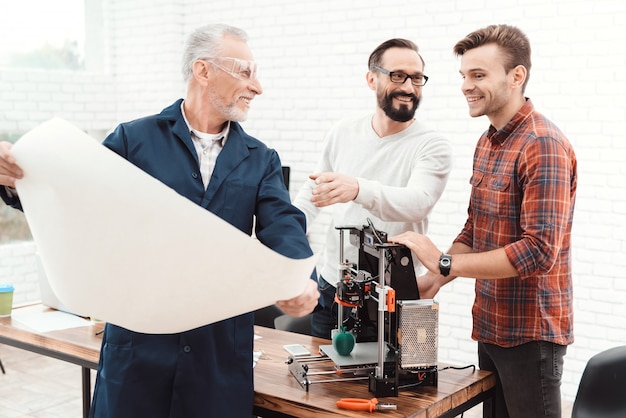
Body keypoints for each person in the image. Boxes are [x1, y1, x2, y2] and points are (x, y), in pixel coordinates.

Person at [0, 23, 319, 418]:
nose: (258, 87)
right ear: (203, 71)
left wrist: (300, 279)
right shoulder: (133, 140)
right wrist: (18, 180)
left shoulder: (260, 158)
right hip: (138, 351)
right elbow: (77, 201)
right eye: (246, 71)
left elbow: (284, 225)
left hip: (217, 356)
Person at [390, 24, 577, 418]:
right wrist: (434, 281)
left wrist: (442, 261)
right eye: (463, 75)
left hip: (530, 336)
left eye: (478, 75)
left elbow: (537, 253)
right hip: (491, 325)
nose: (465, 86)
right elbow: (476, 229)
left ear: (517, 76)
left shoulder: (543, 145)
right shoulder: (488, 141)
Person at [293, 38, 453, 340]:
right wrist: (282, 242)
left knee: (387, 385)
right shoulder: (343, 132)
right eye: (397, 75)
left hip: (393, 295)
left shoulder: (432, 144)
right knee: (321, 384)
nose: (408, 86)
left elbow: (419, 201)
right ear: (372, 78)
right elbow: (311, 197)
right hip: (331, 286)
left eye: (417, 78)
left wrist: (357, 188)